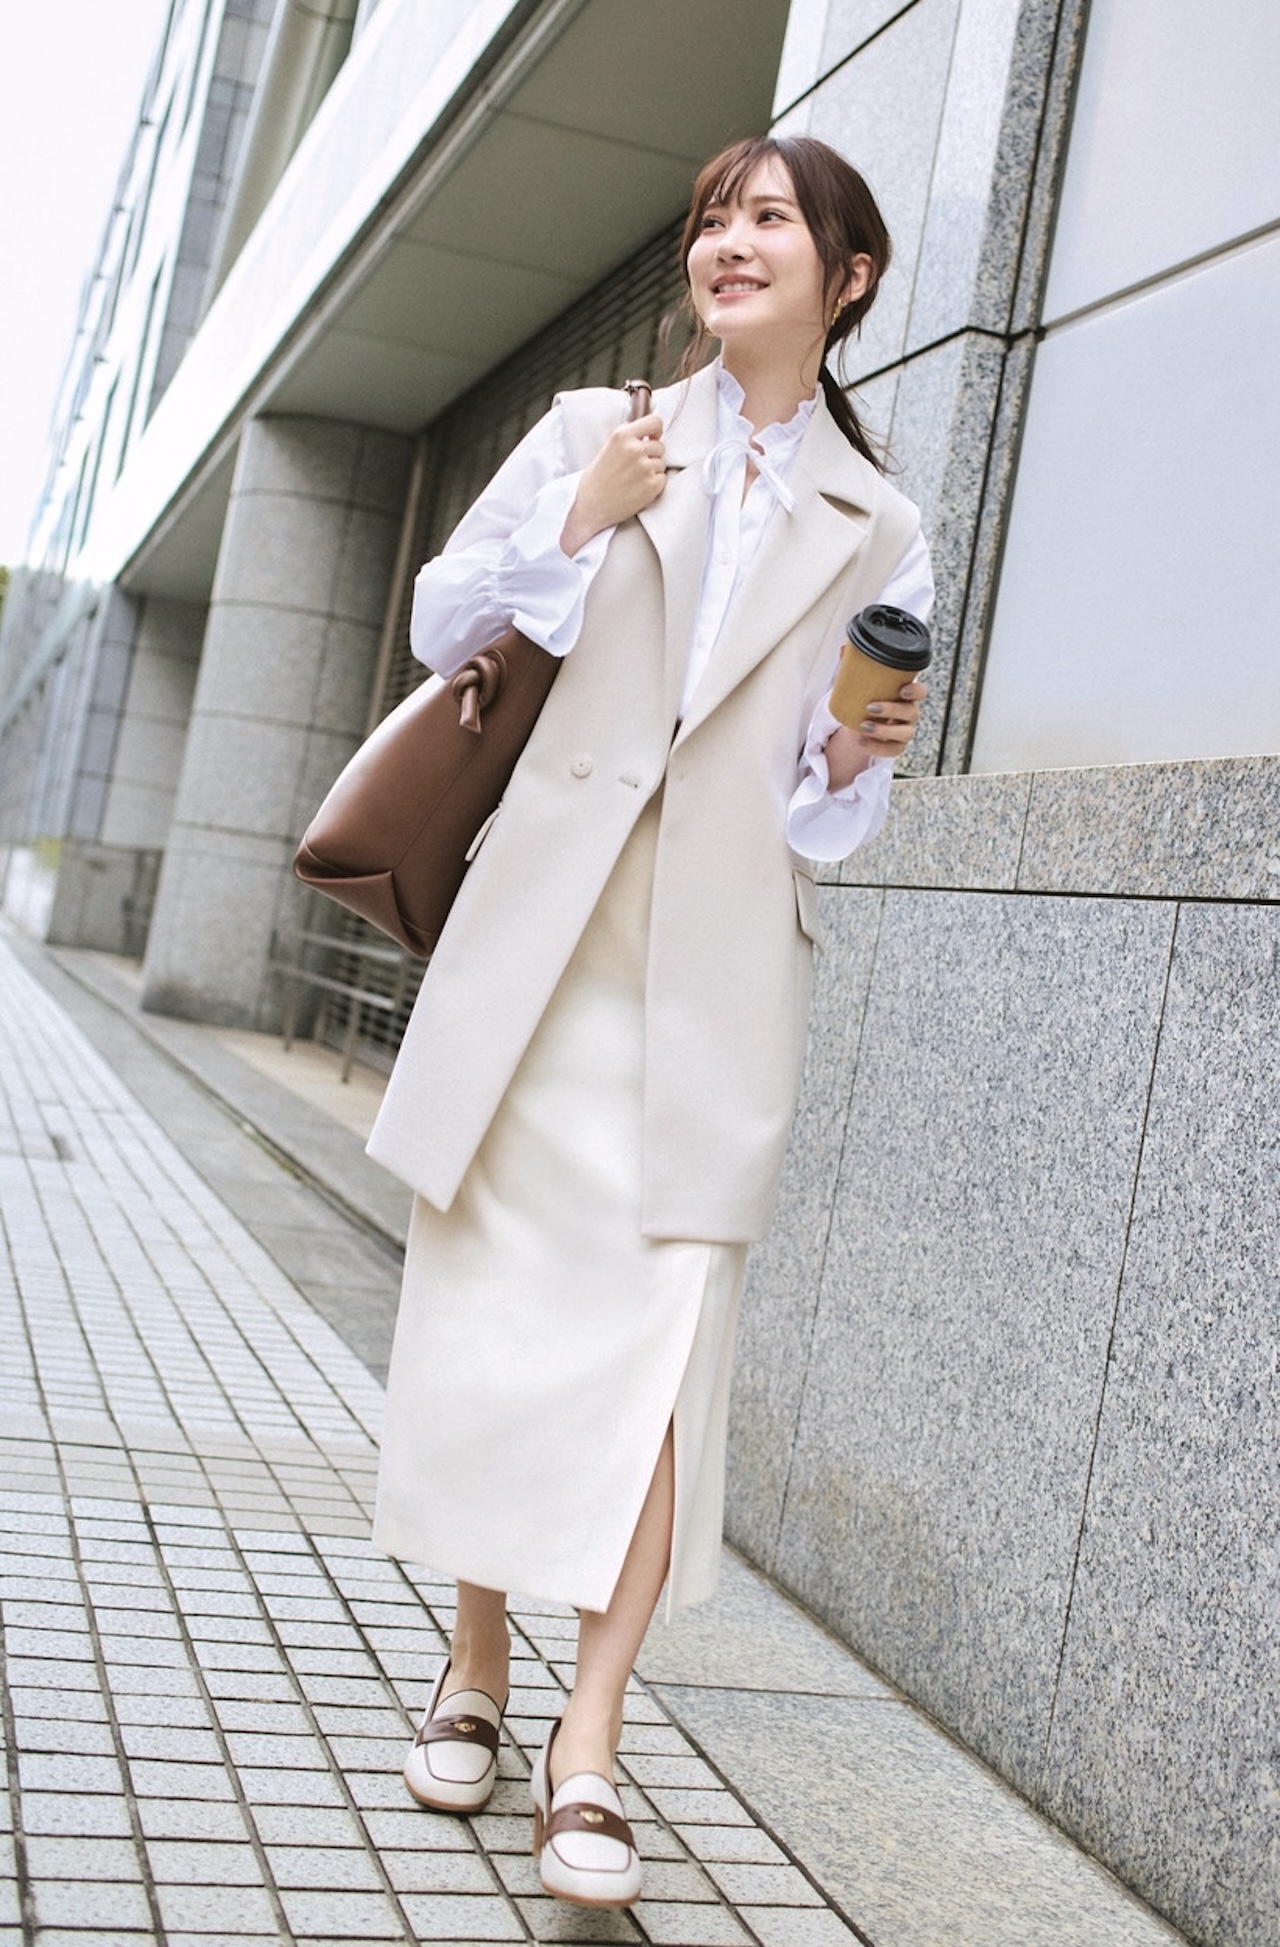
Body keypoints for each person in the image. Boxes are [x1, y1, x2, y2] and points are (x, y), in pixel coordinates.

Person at [365, 133, 932, 1908]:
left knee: (664, 1361)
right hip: (545, 950)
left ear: (846, 278)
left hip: (715, 985)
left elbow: (821, 815)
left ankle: (589, 1740)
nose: (727, 244)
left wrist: (851, 756)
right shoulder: (593, 431)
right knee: (495, 1316)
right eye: (712, 221)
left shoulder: (879, 522)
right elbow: (441, 627)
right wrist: (584, 514)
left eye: (769, 220)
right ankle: (476, 1659)